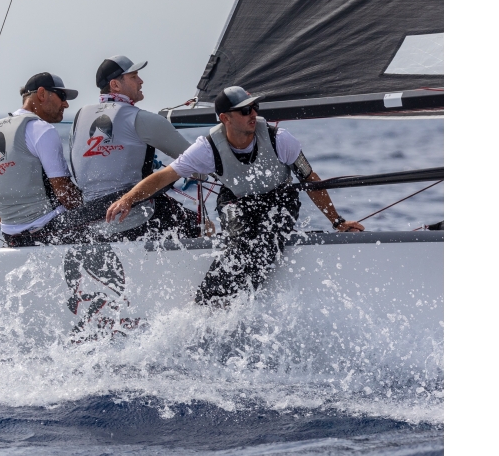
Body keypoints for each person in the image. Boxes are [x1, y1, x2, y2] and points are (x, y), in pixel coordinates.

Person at [106, 86, 364, 305]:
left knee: (265, 240)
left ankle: (229, 303)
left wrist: (337, 222)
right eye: (244, 110)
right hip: (235, 200)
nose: (252, 114)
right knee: (241, 241)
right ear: (225, 118)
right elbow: (165, 176)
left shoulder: (281, 140)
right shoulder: (206, 148)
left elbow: (310, 180)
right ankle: (209, 302)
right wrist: (128, 199)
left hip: (279, 200)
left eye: (254, 108)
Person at [68, 55, 198, 241]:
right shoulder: (143, 119)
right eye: (134, 76)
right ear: (115, 85)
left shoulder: (79, 117)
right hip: (136, 216)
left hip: (93, 222)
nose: (141, 80)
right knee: (203, 225)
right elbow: (199, 159)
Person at [0, 72, 84, 247]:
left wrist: (20, 235)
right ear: (42, 94)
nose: (66, 104)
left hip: (11, 236)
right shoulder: (42, 129)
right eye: (62, 96)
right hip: (51, 230)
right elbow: (65, 194)